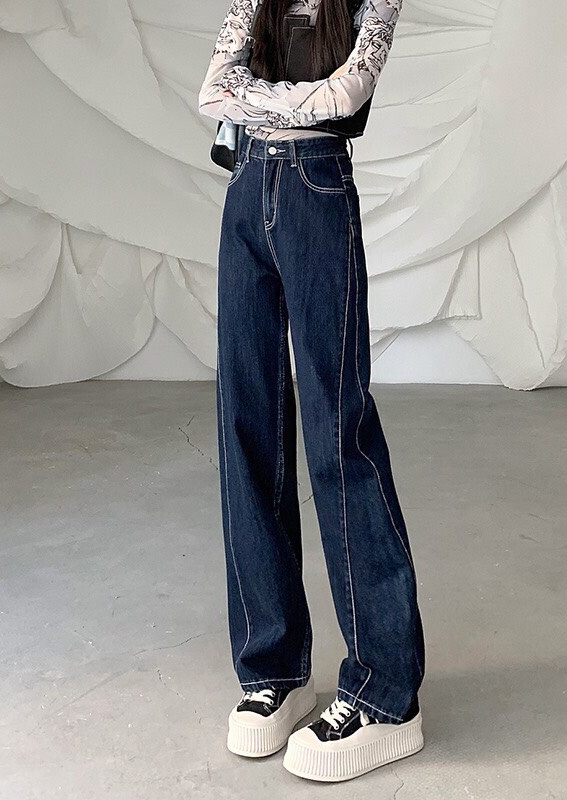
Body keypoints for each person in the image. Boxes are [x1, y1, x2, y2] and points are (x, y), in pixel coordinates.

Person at [197, 0, 425, 782]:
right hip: (246, 193)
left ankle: (386, 692)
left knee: (338, 433)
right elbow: (213, 90)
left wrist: (259, 100)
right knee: (246, 426)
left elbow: (347, 94)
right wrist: (289, 102)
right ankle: (274, 667)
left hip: (318, 193)